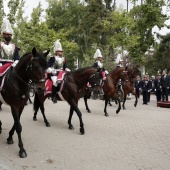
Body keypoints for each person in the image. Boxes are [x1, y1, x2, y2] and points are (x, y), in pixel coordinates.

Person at [47, 39, 70, 103]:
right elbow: (48, 65)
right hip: (54, 73)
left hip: (61, 73)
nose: (61, 52)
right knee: (55, 82)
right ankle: (53, 96)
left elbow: (65, 67)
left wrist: (68, 69)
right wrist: (51, 70)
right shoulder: (53, 58)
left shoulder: (63, 58)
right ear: (56, 52)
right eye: (60, 51)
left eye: (61, 51)